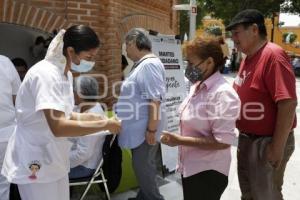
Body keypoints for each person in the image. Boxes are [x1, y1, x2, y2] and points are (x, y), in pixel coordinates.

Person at [1, 25, 121, 200]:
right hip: (35, 159)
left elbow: (66, 114)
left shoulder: (66, 75)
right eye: (88, 57)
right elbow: (58, 125)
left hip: (56, 159)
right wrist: (105, 124)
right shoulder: (45, 74)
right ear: (71, 51)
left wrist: (93, 117)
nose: (91, 62)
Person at [226, 9, 297, 200]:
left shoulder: (273, 56)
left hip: (266, 142)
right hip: (247, 140)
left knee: (266, 195)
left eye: (237, 33)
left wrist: (276, 147)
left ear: (254, 30)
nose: (233, 38)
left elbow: (288, 103)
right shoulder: (248, 58)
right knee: (248, 193)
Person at [161, 36, 240, 200]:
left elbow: (223, 141)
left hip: (207, 172)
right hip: (191, 167)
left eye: (191, 63)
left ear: (209, 62)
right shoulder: (198, 86)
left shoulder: (222, 94)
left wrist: (180, 140)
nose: (188, 68)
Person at [115, 28, 166, 200]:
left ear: (134, 43)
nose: (126, 51)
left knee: (143, 168)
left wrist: (151, 130)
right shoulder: (142, 65)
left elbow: (154, 100)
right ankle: (142, 197)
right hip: (140, 128)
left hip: (144, 130)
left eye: (126, 47)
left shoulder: (149, 65)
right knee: (142, 167)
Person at [69, 76, 107, 179]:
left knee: (41, 172)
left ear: (80, 94)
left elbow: (83, 154)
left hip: (84, 166)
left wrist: (59, 162)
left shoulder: (93, 116)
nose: (71, 94)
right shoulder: (80, 107)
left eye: (73, 90)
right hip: (73, 158)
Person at [0, 55, 21, 200]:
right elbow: (18, 100)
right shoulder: (4, 62)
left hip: (6, 134)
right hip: (6, 133)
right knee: (3, 183)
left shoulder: (5, 62)